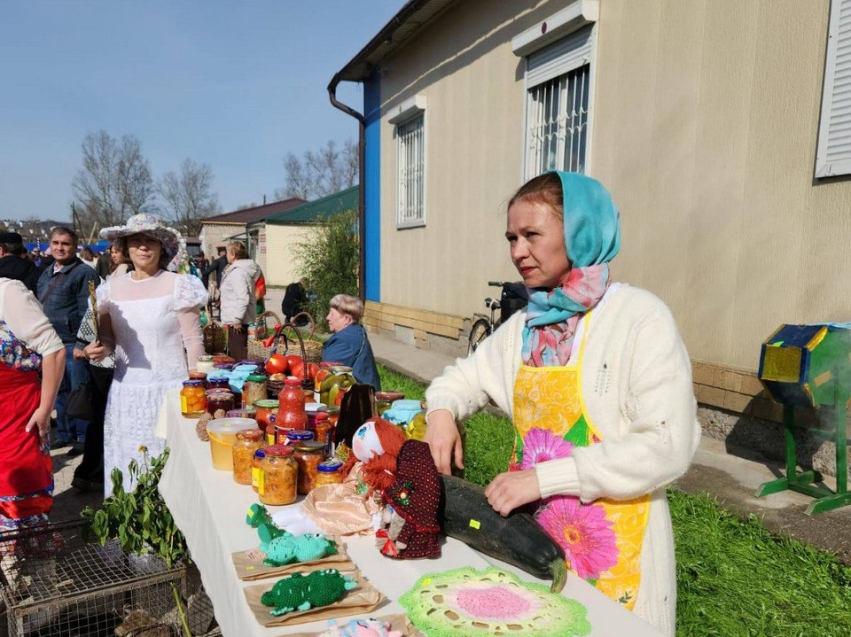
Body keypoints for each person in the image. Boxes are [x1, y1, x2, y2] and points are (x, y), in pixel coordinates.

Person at [423, 172, 699, 636]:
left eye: (532, 234)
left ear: (580, 233)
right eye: (512, 237)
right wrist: (441, 413)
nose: (517, 251)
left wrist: (544, 478)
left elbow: (667, 444)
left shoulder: (638, 318)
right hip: (530, 539)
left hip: (618, 552)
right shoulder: (523, 329)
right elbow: (461, 379)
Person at [83, 214, 207, 494]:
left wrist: (199, 387)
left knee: (169, 466)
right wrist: (97, 349)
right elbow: (108, 341)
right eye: (135, 241)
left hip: (171, 390)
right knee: (130, 465)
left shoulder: (180, 285)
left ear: (162, 247)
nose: (142, 247)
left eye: (150, 240)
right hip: (127, 394)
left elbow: (193, 340)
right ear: (125, 248)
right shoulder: (108, 290)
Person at [0, 278, 65, 532]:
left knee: (21, 502)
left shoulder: (7, 292)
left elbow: (54, 350)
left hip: (16, 417)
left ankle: (33, 567)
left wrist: (45, 409)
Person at [37, 227, 100, 454]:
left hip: (73, 342)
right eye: (55, 243)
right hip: (50, 342)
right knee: (58, 391)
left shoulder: (84, 273)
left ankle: (82, 437)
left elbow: (90, 311)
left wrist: (83, 344)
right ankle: (64, 433)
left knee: (79, 391)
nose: (60, 248)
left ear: (75, 247)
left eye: (65, 244)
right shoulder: (46, 272)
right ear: (49, 245)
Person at [322, 294, 381, 391]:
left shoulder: (346, 340)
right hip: (362, 392)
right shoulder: (353, 332)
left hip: (358, 398)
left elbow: (326, 371)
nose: (327, 317)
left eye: (332, 314)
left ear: (347, 319)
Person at [219, 240, 262, 361]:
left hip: (237, 320)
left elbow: (243, 297)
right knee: (235, 351)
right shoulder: (237, 271)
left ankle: (242, 376)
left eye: (227, 252)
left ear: (233, 254)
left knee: (238, 353)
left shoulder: (238, 273)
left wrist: (237, 319)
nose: (226, 255)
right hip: (235, 318)